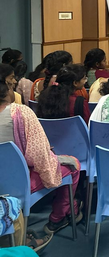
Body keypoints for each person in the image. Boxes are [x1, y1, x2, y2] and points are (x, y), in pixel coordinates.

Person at [0, 81, 82, 247]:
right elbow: (38, 156)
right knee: (73, 165)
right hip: (18, 184)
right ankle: (58, 217)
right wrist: (52, 156)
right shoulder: (20, 112)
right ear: (7, 90)